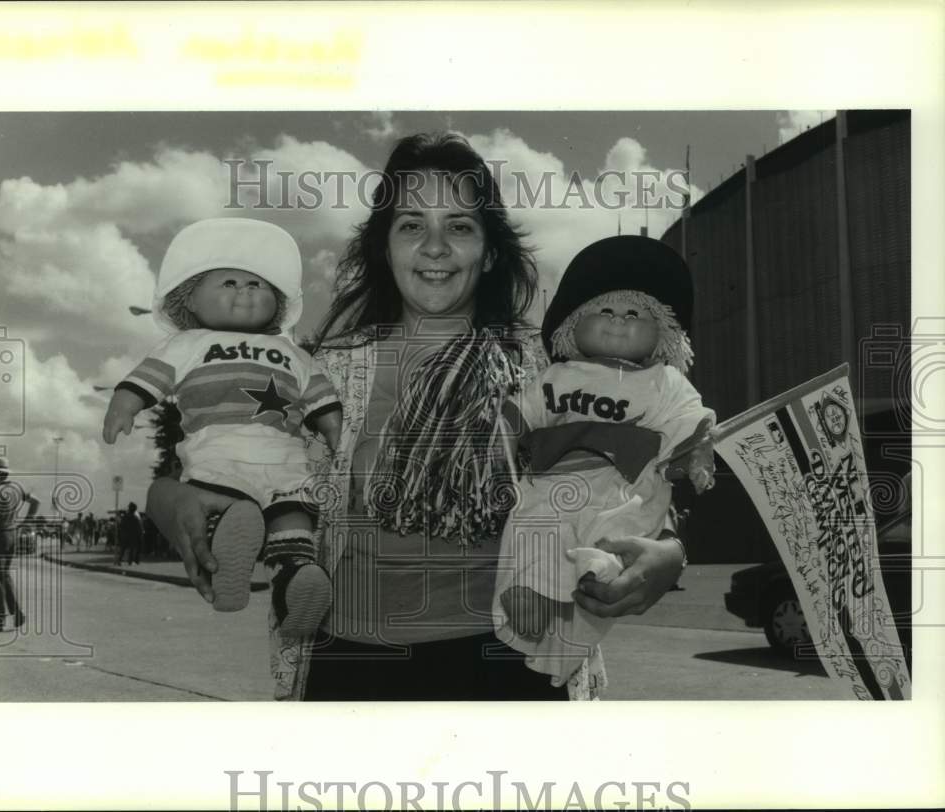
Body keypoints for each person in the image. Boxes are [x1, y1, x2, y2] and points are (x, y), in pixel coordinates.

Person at [146, 133, 689, 701]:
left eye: (459, 226)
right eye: (411, 225)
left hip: (518, 659)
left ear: (490, 251)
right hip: (354, 661)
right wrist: (169, 500)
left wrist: (668, 555)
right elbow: (237, 462)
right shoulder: (322, 372)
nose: (435, 247)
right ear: (384, 247)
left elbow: (623, 472)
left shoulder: (549, 365)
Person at [494, 235, 715, 685]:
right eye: (603, 311)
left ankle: (596, 576)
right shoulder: (555, 374)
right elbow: (519, 413)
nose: (618, 319)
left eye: (635, 314)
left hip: (622, 486)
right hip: (552, 481)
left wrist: (698, 458)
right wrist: (503, 440)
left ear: (664, 335)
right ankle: (528, 593)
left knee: (616, 533)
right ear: (572, 326)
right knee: (531, 526)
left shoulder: (664, 383)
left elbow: (692, 423)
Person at [104, 218, 342, 628]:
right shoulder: (187, 344)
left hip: (285, 461)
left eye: (258, 285)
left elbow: (320, 397)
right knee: (228, 510)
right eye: (229, 283)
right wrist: (124, 404)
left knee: (293, 524)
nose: (246, 292)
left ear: (277, 304)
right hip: (220, 456)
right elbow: (149, 378)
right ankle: (227, 562)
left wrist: (336, 430)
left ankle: (296, 583)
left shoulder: (291, 352)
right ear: (191, 301)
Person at [0, 456, 40, 632]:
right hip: (12, 535)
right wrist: (27, 522)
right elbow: (36, 501)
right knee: (4, 576)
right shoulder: (17, 488)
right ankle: (17, 611)